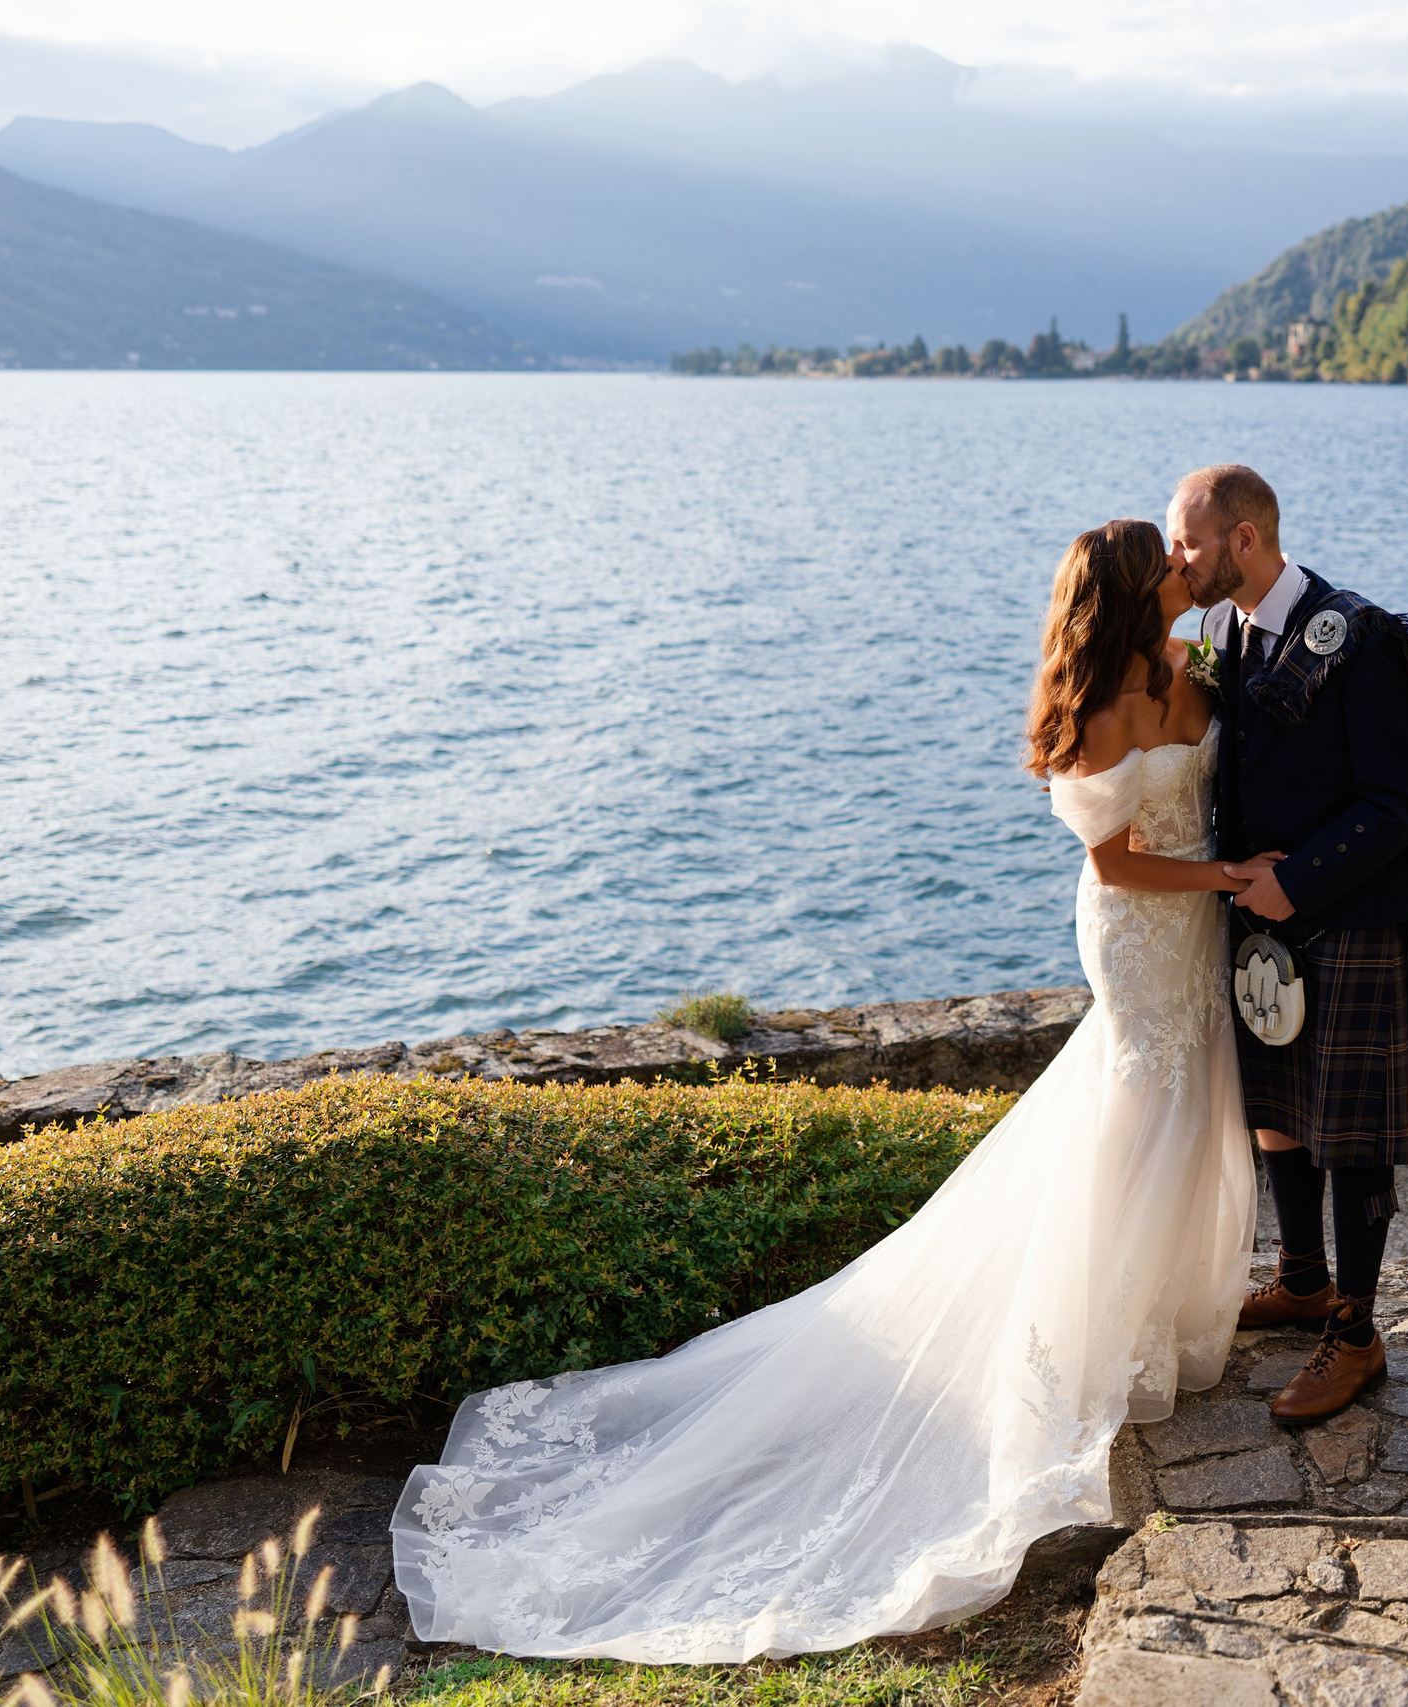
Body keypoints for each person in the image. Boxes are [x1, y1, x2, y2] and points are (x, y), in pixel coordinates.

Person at [390, 518, 1262, 1663]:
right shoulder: (1102, 706)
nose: (1182, 576)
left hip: (1197, 924)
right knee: (1136, 1116)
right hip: (1144, 927)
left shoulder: (1187, 664)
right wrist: (1229, 874)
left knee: (1188, 1109)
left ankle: (1153, 1327)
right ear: (1132, 590)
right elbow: (1112, 862)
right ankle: (1080, 1357)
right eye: (1168, 567)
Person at [1171, 463, 1408, 1425]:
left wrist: (1298, 879)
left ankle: (1358, 1333)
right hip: (1262, 929)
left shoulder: (1359, 637)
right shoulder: (1222, 630)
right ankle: (1301, 1279)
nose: (1183, 559)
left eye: (1192, 542)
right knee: (1277, 1110)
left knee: (1353, 1132)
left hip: (1351, 921)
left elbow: (1404, 799)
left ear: (1244, 539)